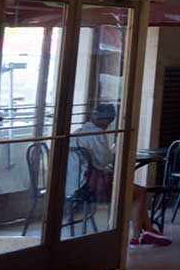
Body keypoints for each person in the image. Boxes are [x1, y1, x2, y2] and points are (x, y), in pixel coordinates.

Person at [70, 103, 169, 247]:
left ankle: (147, 230)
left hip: (73, 185)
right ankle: (138, 236)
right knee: (139, 191)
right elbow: (105, 160)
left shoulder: (78, 132)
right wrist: (112, 152)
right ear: (106, 120)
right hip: (91, 186)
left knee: (132, 190)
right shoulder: (97, 134)